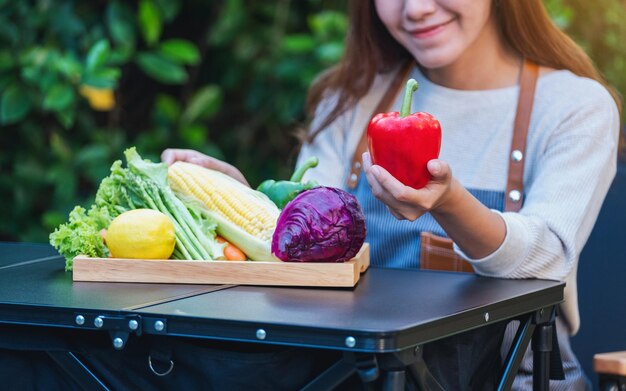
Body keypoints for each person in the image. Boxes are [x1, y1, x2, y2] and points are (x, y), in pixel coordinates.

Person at [162, 0, 622, 389]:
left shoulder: (573, 106)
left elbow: (548, 257)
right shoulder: (351, 97)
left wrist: (449, 204)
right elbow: (304, 254)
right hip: (353, 377)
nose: (416, 9)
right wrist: (247, 205)